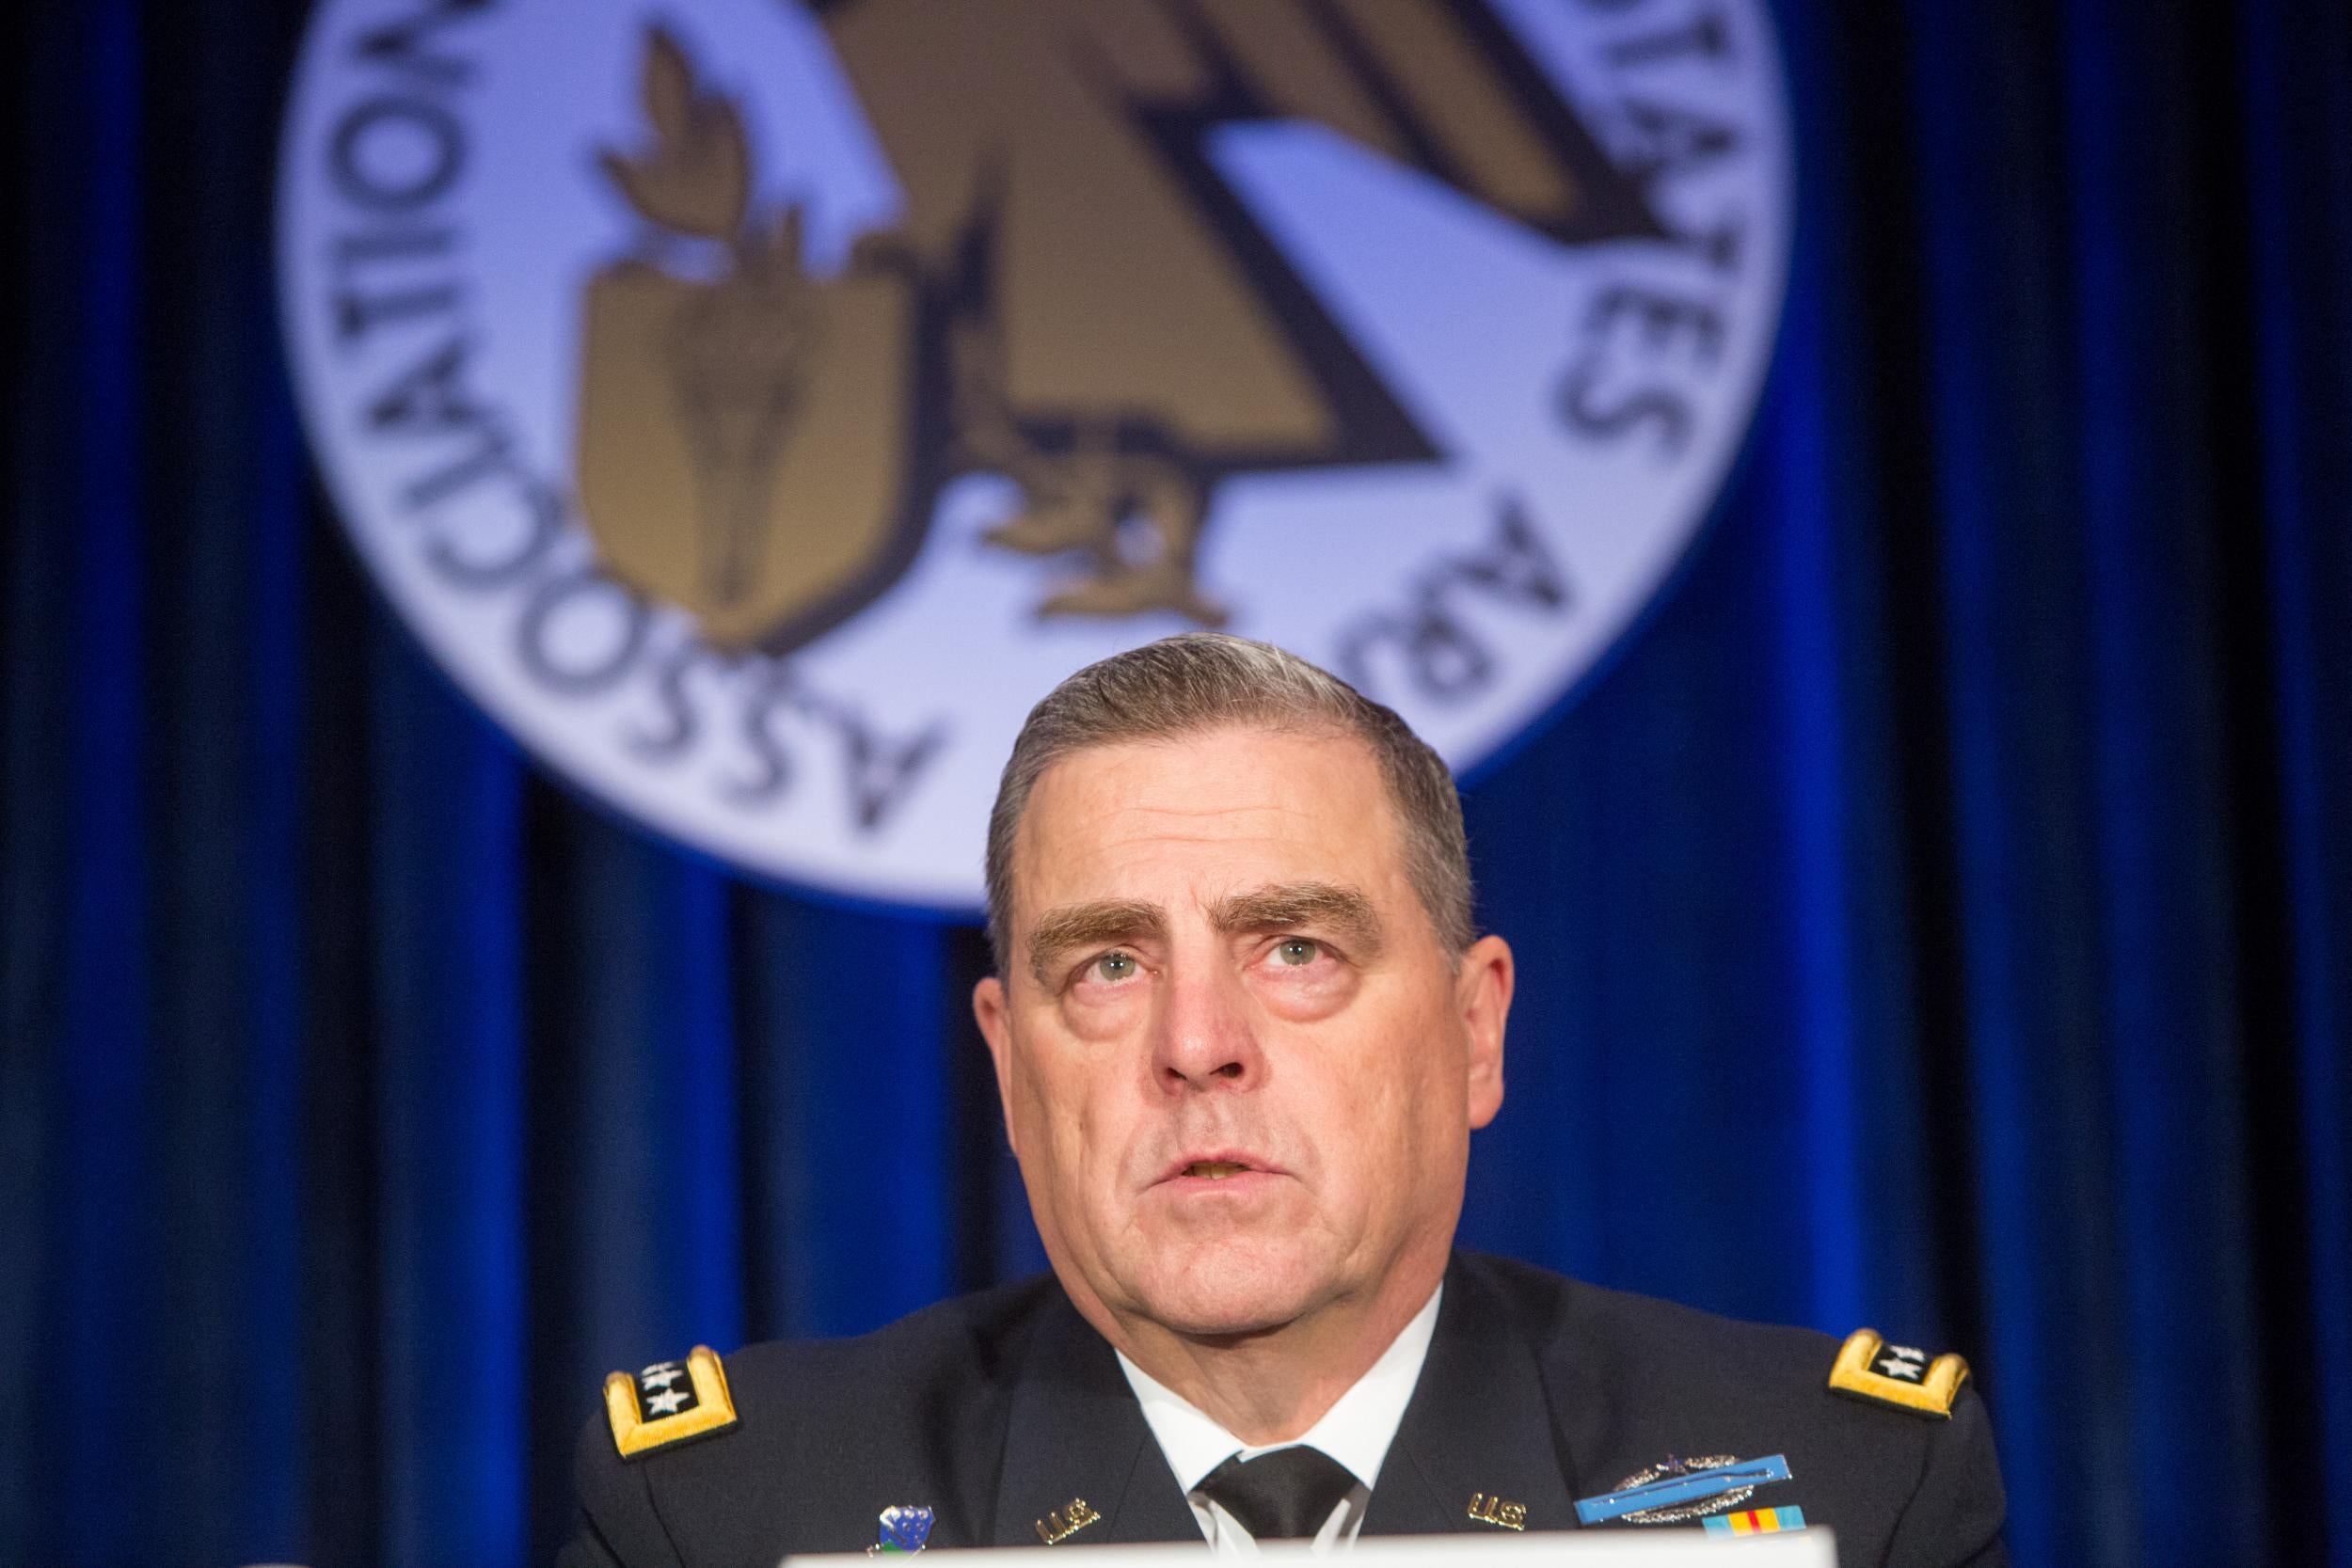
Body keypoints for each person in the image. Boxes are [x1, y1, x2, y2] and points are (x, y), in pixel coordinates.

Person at [562, 633, 2007, 1567]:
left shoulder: (1847, 1491)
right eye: (1111, 963)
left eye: (1297, 949)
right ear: (1009, 1066)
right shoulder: (720, 1518)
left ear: (1473, 1029)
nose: (1199, 1044)